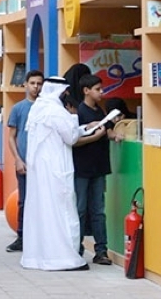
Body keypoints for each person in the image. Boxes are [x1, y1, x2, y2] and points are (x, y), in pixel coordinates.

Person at [20, 77, 106, 272]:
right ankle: (64, 257)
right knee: (61, 212)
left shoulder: (38, 108)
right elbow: (70, 137)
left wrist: (85, 127)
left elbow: (63, 132)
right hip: (56, 170)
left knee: (43, 212)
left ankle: (42, 256)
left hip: (41, 172)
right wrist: (79, 121)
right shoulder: (57, 111)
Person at [73, 74, 115, 265]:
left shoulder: (101, 111)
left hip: (99, 167)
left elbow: (109, 132)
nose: (101, 92)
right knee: (80, 209)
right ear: (86, 91)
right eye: (97, 89)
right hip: (82, 168)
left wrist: (114, 134)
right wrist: (94, 136)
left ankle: (101, 250)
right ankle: (76, 248)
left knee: (98, 210)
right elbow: (74, 141)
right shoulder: (79, 113)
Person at [4, 70, 44, 252]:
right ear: (26, 85)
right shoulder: (18, 108)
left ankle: (41, 237)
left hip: (42, 163)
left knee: (43, 201)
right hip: (24, 163)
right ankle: (22, 237)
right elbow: (11, 137)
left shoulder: (46, 108)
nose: (36, 87)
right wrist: (18, 160)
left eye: (39, 83)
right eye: (33, 83)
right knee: (24, 200)